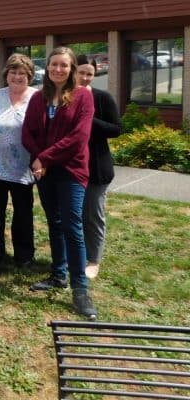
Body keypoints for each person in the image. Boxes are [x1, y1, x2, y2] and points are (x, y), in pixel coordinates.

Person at [22, 46, 97, 320]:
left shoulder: (82, 97)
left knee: (71, 225)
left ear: (71, 69)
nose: (58, 69)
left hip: (71, 170)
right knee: (54, 222)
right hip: (45, 171)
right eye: (53, 64)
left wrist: (43, 158)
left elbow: (79, 138)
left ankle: (80, 289)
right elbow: (27, 132)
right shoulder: (39, 98)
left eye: (63, 65)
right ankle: (58, 274)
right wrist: (39, 160)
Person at [0, 54, 37, 273]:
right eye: (13, 72)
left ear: (29, 76)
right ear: (6, 75)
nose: (17, 76)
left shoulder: (36, 97)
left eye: (22, 72)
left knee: (23, 212)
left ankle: (24, 255)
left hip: (24, 166)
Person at [76, 55, 122, 279]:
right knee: (72, 215)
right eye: (81, 72)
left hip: (97, 167)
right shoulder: (63, 97)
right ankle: (74, 256)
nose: (84, 78)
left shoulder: (102, 98)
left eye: (89, 74)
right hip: (70, 168)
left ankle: (93, 259)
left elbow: (116, 129)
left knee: (93, 214)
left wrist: (88, 117)